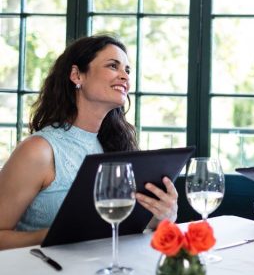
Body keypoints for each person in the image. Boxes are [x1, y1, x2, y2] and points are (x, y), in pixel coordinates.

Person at [0, 35, 178, 250]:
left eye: (127, 71)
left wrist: (162, 215)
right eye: (113, 66)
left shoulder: (116, 146)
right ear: (77, 75)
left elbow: (125, 224)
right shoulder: (38, 150)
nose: (125, 77)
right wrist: (54, 235)